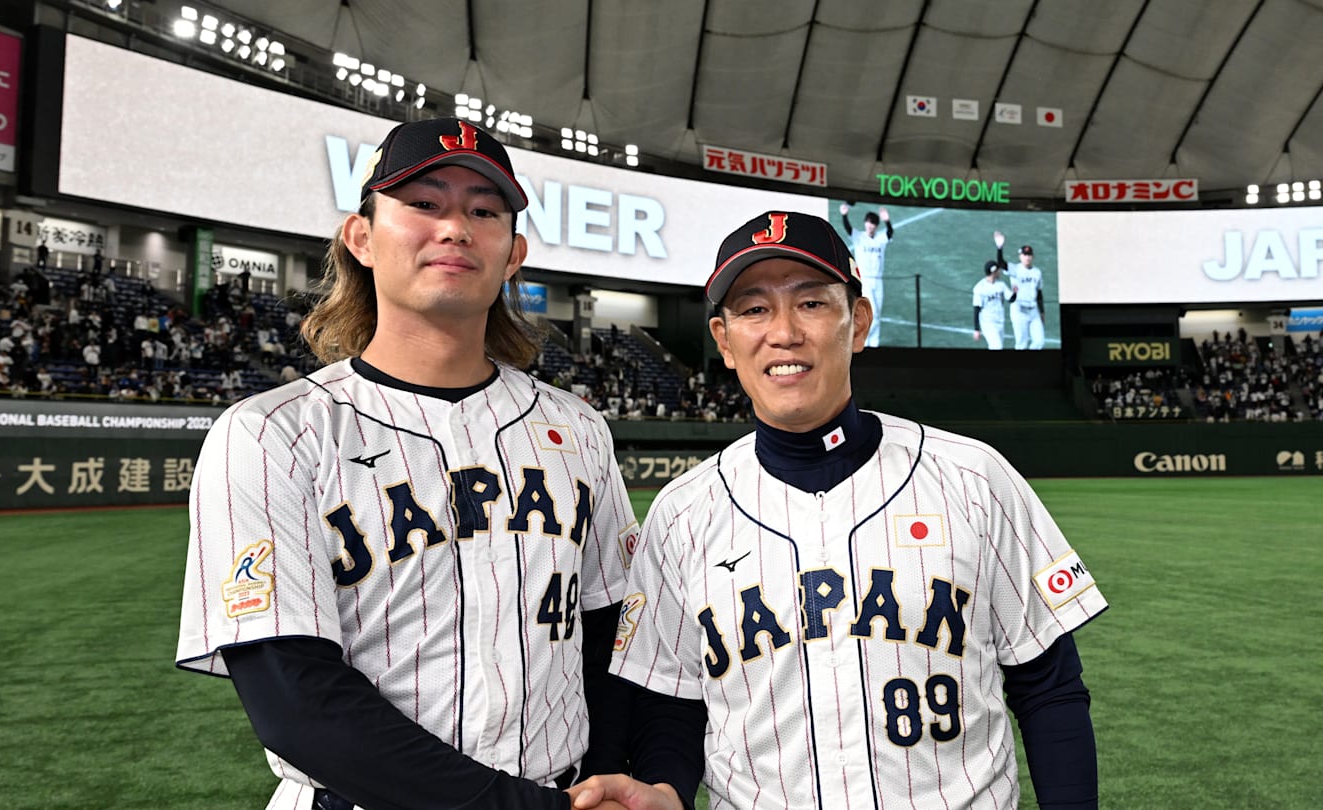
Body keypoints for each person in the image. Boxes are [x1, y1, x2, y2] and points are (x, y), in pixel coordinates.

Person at [175, 117, 644, 810]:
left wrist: (599, 782)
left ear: (513, 254)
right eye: (424, 204)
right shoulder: (272, 433)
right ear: (361, 238)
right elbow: (294, 699)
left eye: (483, 212)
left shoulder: (577, 428)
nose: (455, 228)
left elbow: (609, 634)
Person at [574, 211, 1108, 810]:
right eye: (754, 309)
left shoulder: (975, 479)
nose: (783, 332)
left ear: (858, 323)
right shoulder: (681, 515)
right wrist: (667, 787)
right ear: (724, 341)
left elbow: (1048, 687)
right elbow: (671, 699)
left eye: (811, 303)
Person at [838, 202, 892, 347]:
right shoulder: (859, 237)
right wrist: (844, 215)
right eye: (868, 223)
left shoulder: (880, 238)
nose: (870, 226)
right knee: (871, 312)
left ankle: (874, 344)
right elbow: (848, 228)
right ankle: (863, 342)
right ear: (865, 223)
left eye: (873, 224)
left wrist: (887, 221)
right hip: (865, 281)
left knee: (877, 313)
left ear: (876, 226)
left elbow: (889, 233)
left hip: (878, 281)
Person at [995, 231, 1046, 350]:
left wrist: (1042, 312)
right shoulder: (1015, 269)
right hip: (1019, 311)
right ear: (1020, 257)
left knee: (1039, 342)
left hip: (1034, 311)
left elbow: (1039, 293)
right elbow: (1001, 263)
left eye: (1029, 255)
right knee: (1021, 344)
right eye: (1024, 255)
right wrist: (999, 248)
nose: (1027, 257)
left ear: (1033, 257)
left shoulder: (1037, 272)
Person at [971, 257, 1013, 350]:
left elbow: (1011, 299)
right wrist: (977, 329)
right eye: (998, 270)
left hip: (1000, 321)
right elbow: (976, 309)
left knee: (996, 346)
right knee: (997, 346)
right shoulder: (980, 288)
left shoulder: (1001, 285)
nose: (1000, 272)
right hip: (988, 323)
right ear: (993, 272)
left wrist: (1016, 292)